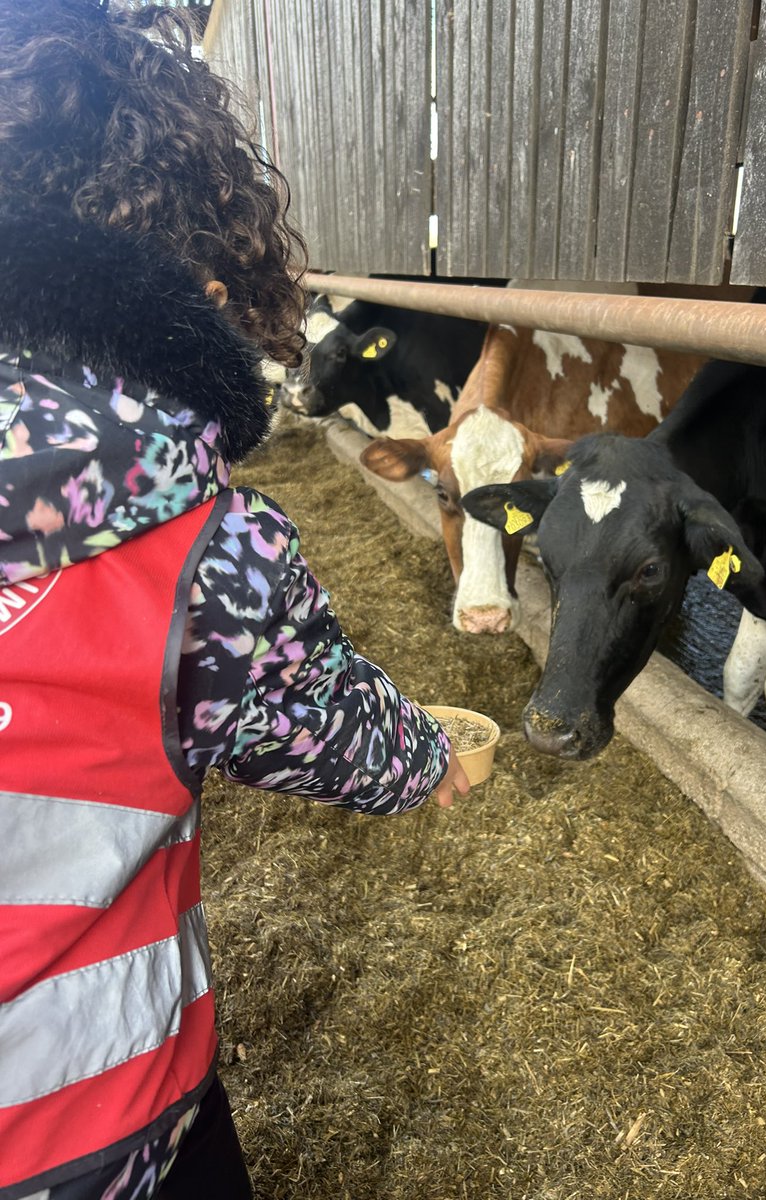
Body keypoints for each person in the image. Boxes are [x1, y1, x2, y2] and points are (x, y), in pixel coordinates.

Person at [0, 3, 469, 1198]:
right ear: (200, 276)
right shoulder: (194, 545)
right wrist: (431, 755)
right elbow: (335, 725)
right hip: (87, 1127)